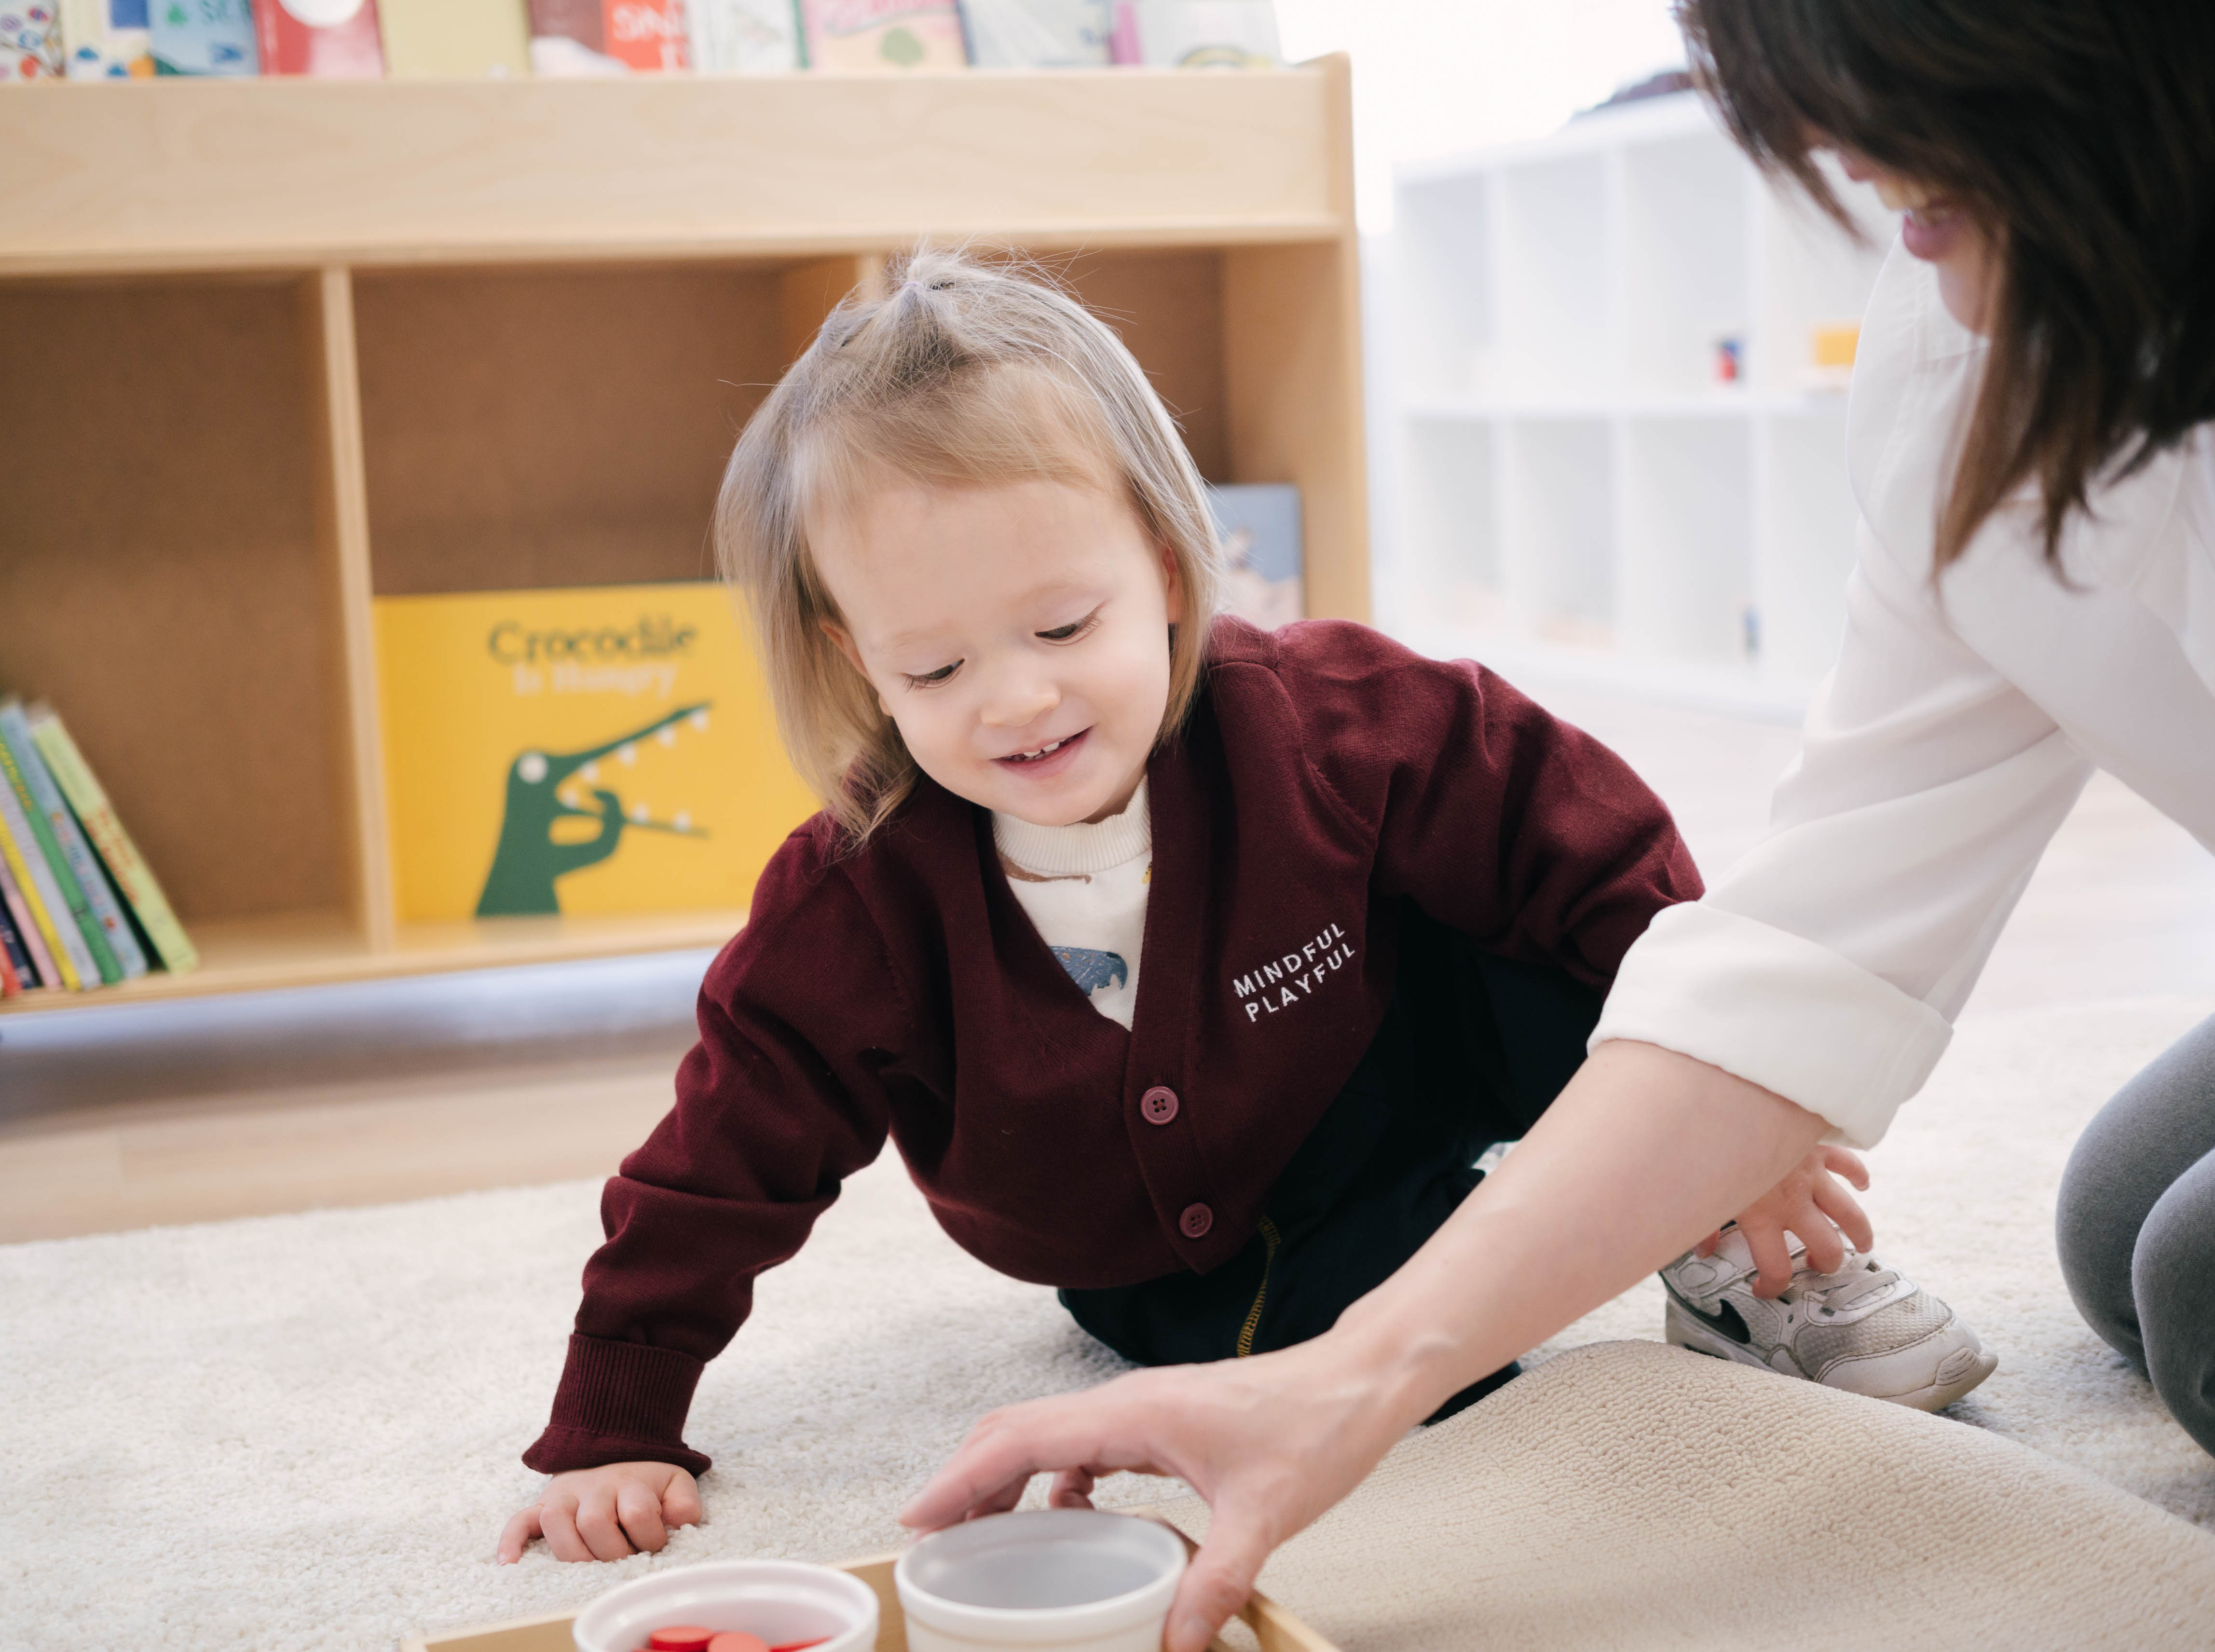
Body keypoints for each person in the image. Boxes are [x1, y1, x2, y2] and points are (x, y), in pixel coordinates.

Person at [899, 0, 2215, 1650]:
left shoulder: (1358, 725)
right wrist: (1344, 1385)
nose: (1825, 146)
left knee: (2198, 1290)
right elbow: (1812, 944)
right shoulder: (1970, 337)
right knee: (2120, 1232)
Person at [492, 250, 1972, 1567]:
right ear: (854, 655)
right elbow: (715, 1169)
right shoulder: (854, 901)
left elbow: (1594, 850)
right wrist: (615, 1423)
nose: (1015, 699)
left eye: (1064, 626)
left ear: (1162, 556)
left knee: (1588, 950)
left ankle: (1723, 1243)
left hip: (1395, 1087)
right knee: (1407, 1391)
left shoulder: (1337, 720)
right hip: (1154, 1269)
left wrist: (1741, 1120)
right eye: (933, 671)